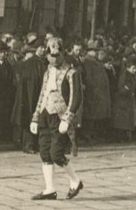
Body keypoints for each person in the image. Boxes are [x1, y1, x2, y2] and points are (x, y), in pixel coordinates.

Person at [28, 38, 84, 200]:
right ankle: (50, 189)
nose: (53, 58)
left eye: (56, 55)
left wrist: (67, 118)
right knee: (45, 151)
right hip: (46, 114)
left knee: (56, 153)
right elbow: (42, 94)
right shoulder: (47, 72)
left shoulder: (71, 72)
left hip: (60, 116)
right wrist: (36, 117)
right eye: (50, 55)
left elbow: (76, 97)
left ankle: (75, 180)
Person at [11, 44, 43, 154]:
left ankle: (31, 144)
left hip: (32, 94)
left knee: (31, 117)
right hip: (30, 95)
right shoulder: (32, 63)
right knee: (29, 116)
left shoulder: (36, 63)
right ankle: (29, 144)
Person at [112, 58, 136, 142]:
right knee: (122, 120)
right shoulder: (125, 75)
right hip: (123, 100)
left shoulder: (129, 75)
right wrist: (127, 89)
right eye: (133, 68)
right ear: (128, 68)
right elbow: (121, 87)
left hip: (127, 99)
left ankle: (124, 136)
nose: (135, 70)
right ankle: (121, 137)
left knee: (125, 120)